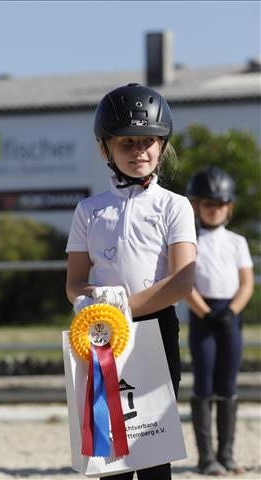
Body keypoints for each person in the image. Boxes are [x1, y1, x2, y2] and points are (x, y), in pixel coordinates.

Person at [65, 83, 197, 480]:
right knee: (112, 454)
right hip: (102, 334)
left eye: (147, 142)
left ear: (162, 146)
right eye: (127, 143)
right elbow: (74, 283)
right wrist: (94, 300)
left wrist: (123, 307)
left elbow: (182, 282)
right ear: (105, 149)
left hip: (156, 330)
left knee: (153, 451)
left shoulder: (175, 206)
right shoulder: (88, 210)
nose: (139, 151)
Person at [185, 167, 254, 476]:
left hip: (230, 317)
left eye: (220, 203)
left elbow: (246, 283)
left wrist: (231, 311)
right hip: (203, 316)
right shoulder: (189, 242)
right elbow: (185, 283)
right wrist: (205, 312)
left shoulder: (237, 242)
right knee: (204, 382)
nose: (215, 209)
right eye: (208, 203)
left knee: (228, 382)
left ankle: (226, 454)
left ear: (230, 207)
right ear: (196, 205)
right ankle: (206, 457)